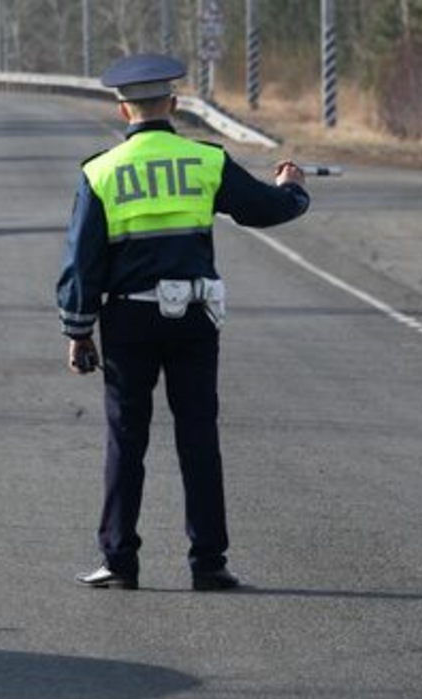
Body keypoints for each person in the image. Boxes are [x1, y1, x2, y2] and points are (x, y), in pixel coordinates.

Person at [55, 53, 310, 592]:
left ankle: (120, 561)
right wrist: (292, 186)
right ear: (171, 104)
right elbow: (265, 208)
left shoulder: (99, 172)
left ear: (124, 109)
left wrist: (78, 331)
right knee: (198, 438)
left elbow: (82, 261)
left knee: (127, 440)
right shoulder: (205, 161)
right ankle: (209, 563)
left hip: (129, 320)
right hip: (195, 318)